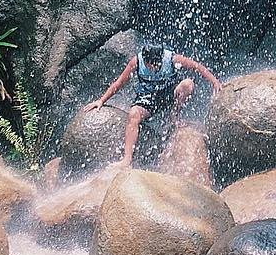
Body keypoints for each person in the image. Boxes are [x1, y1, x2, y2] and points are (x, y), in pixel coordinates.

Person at [84, 43, 222, 167]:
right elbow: (119, 83)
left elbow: (197, 66)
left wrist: (214, 81)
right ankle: (127, 159)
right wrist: (101, 100)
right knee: (133, 114)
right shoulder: (136, 62)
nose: (154, 68)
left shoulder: (172, 59)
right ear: (145, 60)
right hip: (148, 99)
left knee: (188, 84)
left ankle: (174, 116)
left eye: (157, 64)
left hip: (169, 95)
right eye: (150, 65)